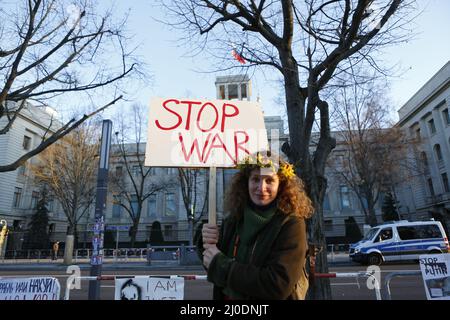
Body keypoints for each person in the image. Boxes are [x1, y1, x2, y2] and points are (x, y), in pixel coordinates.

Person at [197, 152, 314, 300]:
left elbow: (277, 284)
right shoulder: (234, 219)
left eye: (269, 180)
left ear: (281, 185)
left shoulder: (291, 224)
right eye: (255, 179)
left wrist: (221, 266)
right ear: (246, 183)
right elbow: (213, 264)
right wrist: (205, 241)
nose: (261, 187)